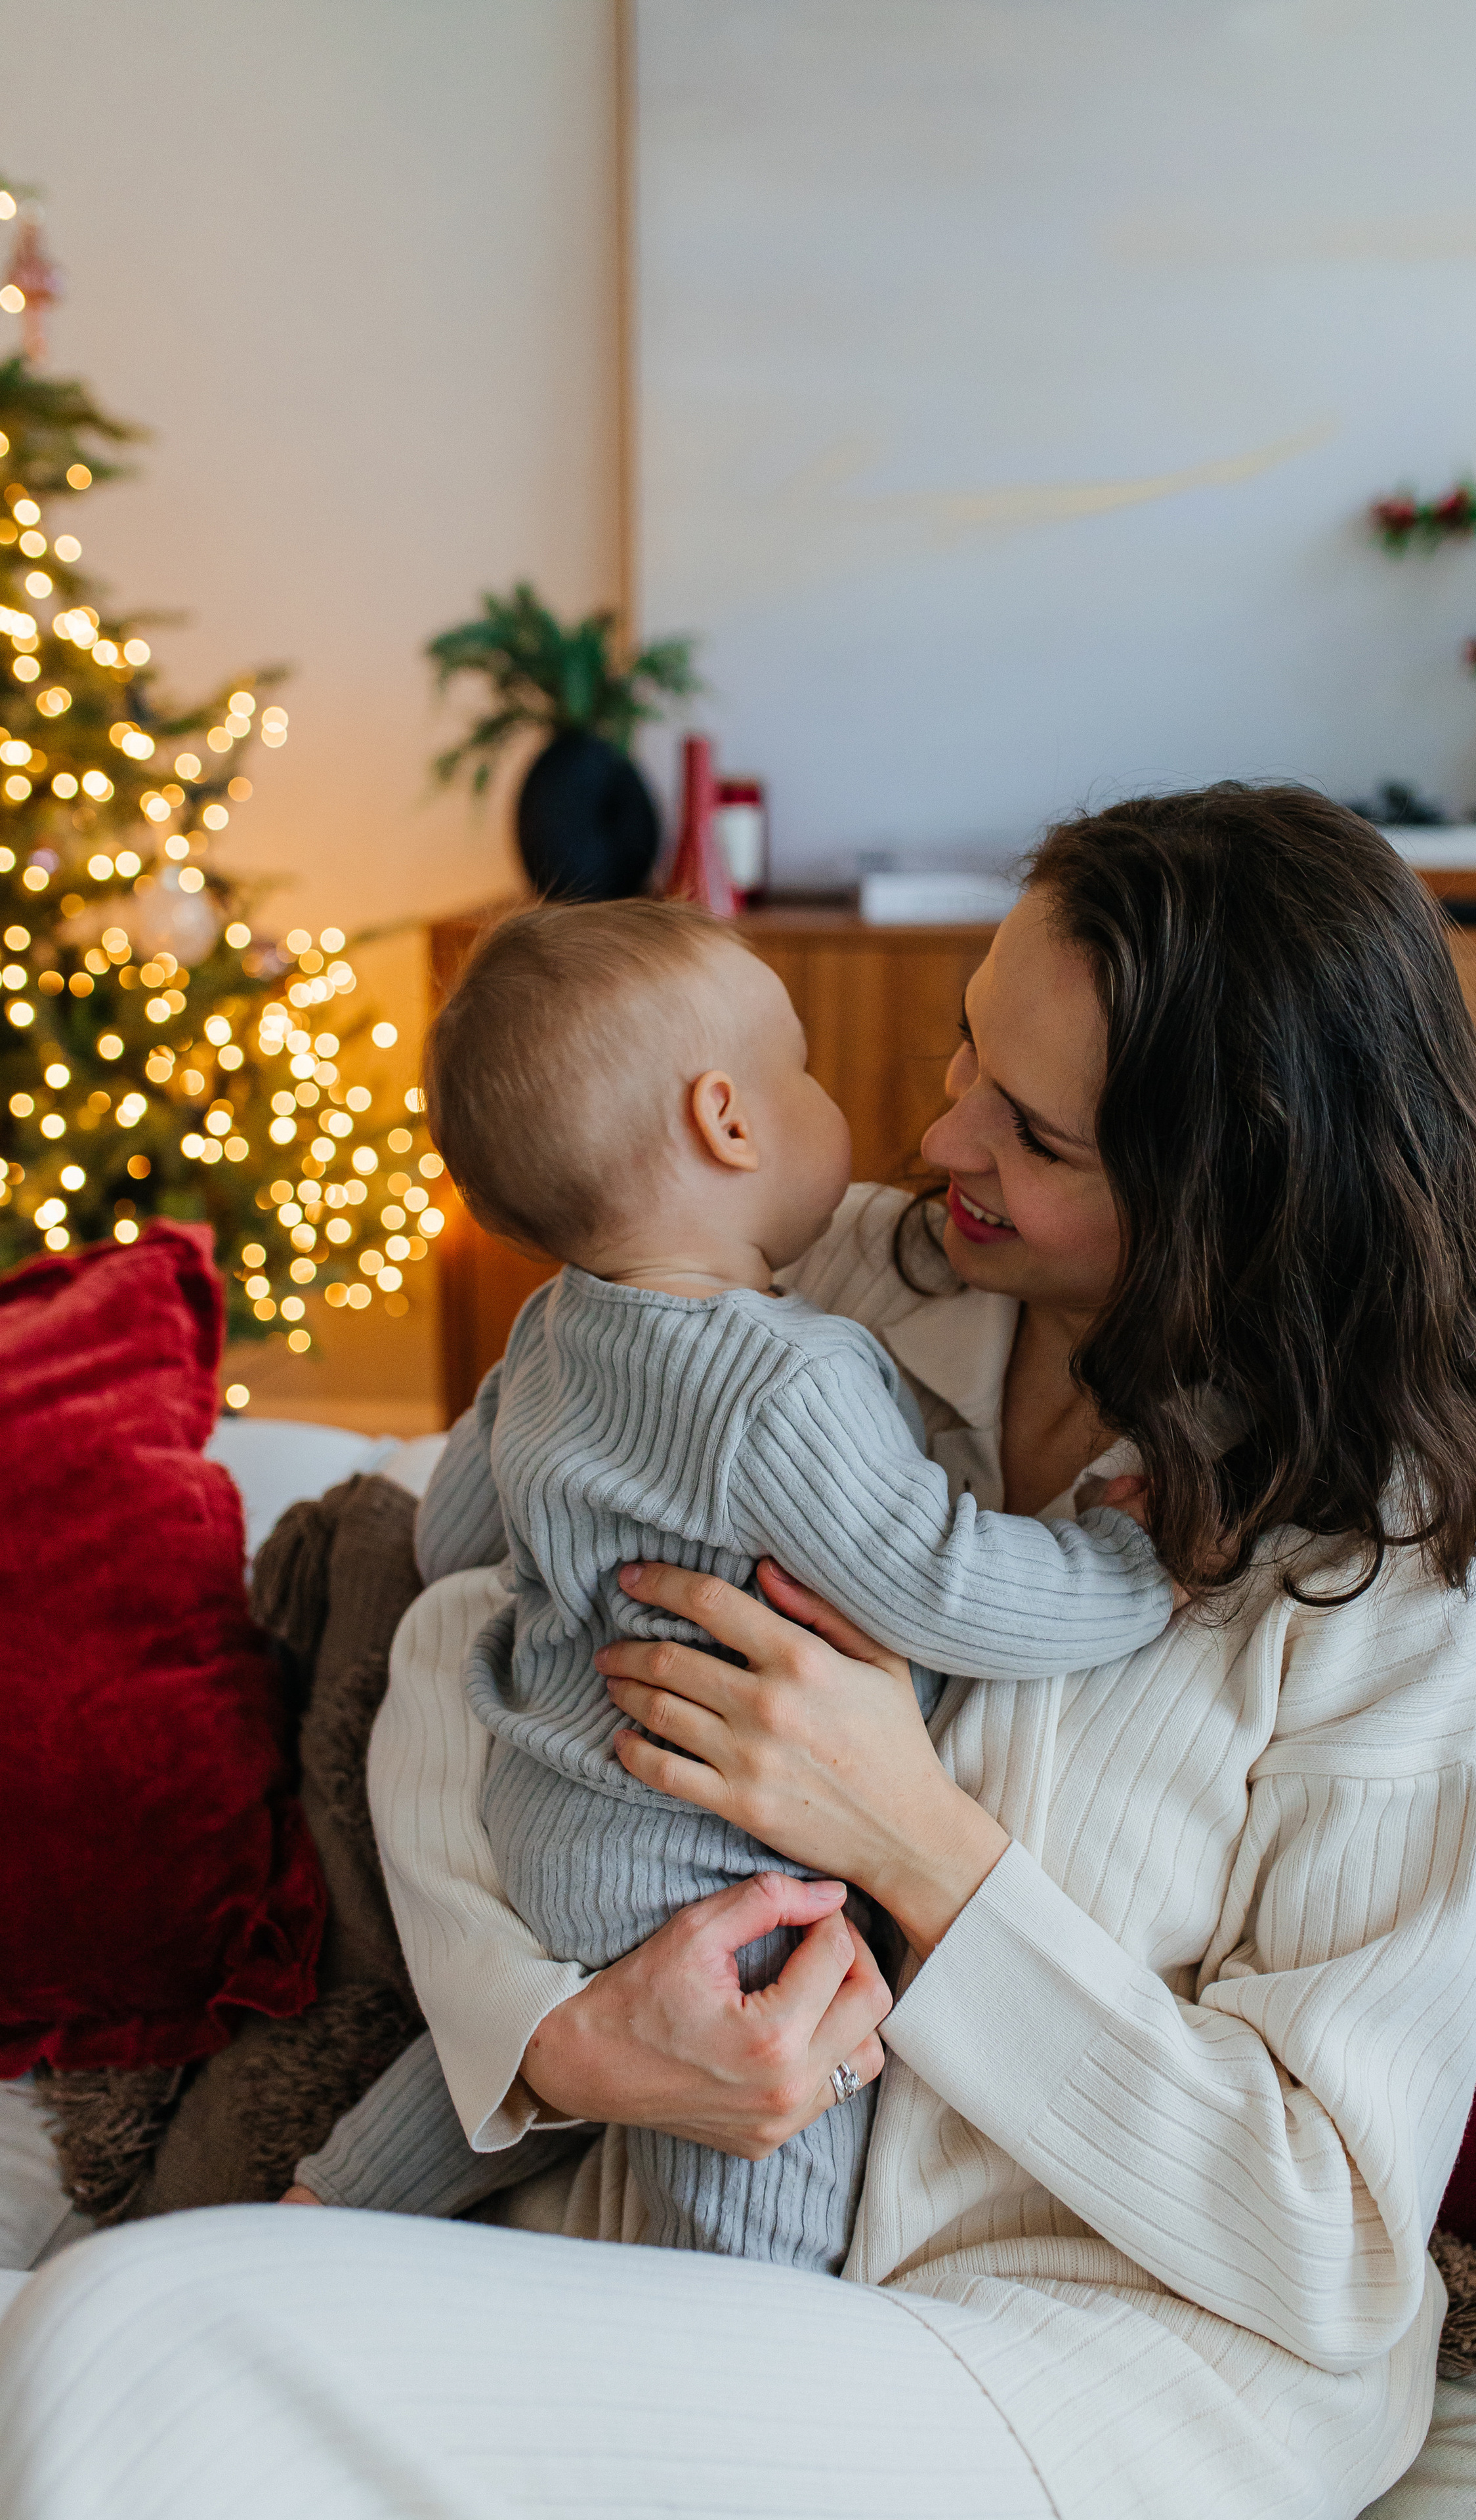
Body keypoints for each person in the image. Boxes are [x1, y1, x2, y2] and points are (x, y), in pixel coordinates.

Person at [0, 786, 1476, 2520]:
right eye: (971, 1047)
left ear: (1230, 1197)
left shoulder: (1386, 1601)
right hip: (674, 2258)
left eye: (1034, 1134)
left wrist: (917, 1845)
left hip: (1081, 2373)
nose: (946, 1133)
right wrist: (554, 2040)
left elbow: (1334, 2241)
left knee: (126, 2354)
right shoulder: (831, 1292)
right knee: (94, 2352)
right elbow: (471, 1635)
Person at [287, 898, 1172, 2273]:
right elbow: (939, 1581)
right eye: (802, 1070)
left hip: (546, 1813)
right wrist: (1130, 1565)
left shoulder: (549, 1325)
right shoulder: (785, 1381)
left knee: (530, 2058)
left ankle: (321, 2213)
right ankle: (736, 2319)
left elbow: (451, 1532)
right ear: (728, 1122)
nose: (921, 1136)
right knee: (770, 2110)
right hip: (708, 1860)